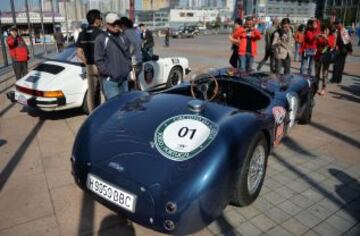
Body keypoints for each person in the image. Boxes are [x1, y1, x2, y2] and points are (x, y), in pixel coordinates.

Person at [94, 12, 132, 100]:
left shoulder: (123, 37)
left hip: (124, 80)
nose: (116, 26)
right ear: (107, 25)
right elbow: (98, 60)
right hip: (110, 81)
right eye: (113, 24)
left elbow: (128, 55)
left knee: (125, 107)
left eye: (118, 23)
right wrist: (109, 74)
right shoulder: (101, 38)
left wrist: (128, 68)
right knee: (115, 109)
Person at [76, 9, 102, 112]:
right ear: (96, 20)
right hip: (101, 65)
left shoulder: (82, 34)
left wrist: (87, 62)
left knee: (91, 91)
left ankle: (92, 114)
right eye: (100, 18)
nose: (101, 20)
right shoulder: (101, 34)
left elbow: (78, 53)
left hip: (90, 66)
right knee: (102, 91)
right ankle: (102, 112)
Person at [119, 17, 143, 90]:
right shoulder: (135, 32)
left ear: (123, 25)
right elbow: (139, 44)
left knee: (130, 85)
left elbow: (132, 45)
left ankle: (134, 99)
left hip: (132, 63)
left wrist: (127, 55)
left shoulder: (126, 33)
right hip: (139, 62)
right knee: (135, 83)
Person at [314, 25, 336, 96]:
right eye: (324, 30)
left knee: (325, 73)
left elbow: (332, 45)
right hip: (318, 56)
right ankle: (316, 87)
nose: (325, 31)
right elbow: (316, 44)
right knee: (317, 73)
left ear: (329, 31)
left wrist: (326, 38)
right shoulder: (320, 36)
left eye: (327, 30)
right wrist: (317, 37)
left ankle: (323, 88)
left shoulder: (332, 37)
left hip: (326, 57)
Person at [331, 20, 353, 84]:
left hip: (343, 50)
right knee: (336, 65)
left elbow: (348, 41)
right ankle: (335, 79)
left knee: (340, 65)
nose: (336, 25)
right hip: (338, 49)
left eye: (337, 24)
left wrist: (350, 50)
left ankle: (338, 79)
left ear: (341, 24)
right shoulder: (337, 31)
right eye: (336, 24)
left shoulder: (344, 31)